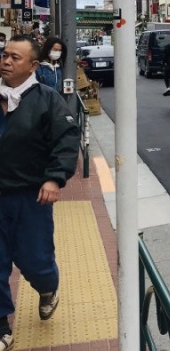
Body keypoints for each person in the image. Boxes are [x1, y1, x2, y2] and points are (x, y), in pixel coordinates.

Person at [0, 36, 81, 351]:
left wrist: (54, 179)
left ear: (33, 65)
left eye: (15, 58)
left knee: (36, 261)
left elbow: (66, 140)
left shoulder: (47, 99)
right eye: (4, 55)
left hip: (32, 198)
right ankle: (1, 325)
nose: (6, 61)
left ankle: (48, 288)